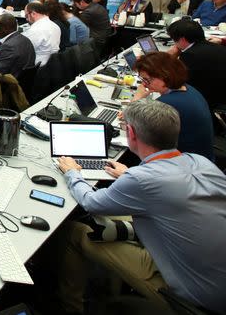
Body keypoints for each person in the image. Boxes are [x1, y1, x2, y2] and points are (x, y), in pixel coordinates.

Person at [55, 99, 226, 314]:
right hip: (213, 277)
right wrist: (128, 174)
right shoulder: (200, 162)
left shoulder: (143, 180)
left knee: (73, 231)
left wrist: (72, 172)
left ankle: (70, 309)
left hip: (192, 298)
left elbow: (90, 202)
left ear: (131, 133)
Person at [131, 51, 214, 159]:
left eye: (147, 79)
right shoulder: (188, 89)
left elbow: (131, 125)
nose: (144, 84)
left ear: (164, 76)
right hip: (201, 159)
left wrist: (137, 98)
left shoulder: (166, 104)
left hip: (184, 166)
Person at [166, 18, 226, 109]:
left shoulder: (190, 55)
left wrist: (170, 58)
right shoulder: (217, 46)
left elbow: (177, 82)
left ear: (182, 39)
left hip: (212, 101)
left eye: (174, 40)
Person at [0, 13, 35, 78]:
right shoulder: (25, 40)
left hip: (9, 85)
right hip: (23, 81)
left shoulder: (8, 47)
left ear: (5, 29)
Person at [22, 1, 60, 66]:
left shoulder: (36, 29)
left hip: (37, 66)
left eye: (26, 16)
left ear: (33, 14)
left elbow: (24, 49)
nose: (27, 19)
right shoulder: (55, 26)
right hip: (52, 64)